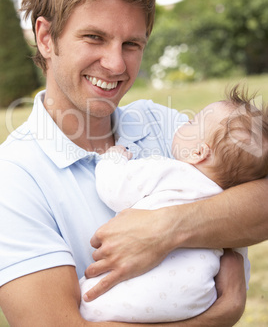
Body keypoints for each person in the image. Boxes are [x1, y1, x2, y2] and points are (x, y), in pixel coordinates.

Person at [0, 0, 265, 326]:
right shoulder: (12, 180)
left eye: (131, 44)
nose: (115, 63)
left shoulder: (165, 126)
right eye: (94, 37)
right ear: (45, 37)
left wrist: (167, 229)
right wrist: (221, 313)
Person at [80, 85, 268, 322]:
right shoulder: (229, 198)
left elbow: (113, 188)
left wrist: (113, 158)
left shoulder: (169, 171)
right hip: (196, 300)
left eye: (192, 122)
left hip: (131, 296)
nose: (184, 121)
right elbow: (236, 262)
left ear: (198, 152)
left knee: (86, 301)